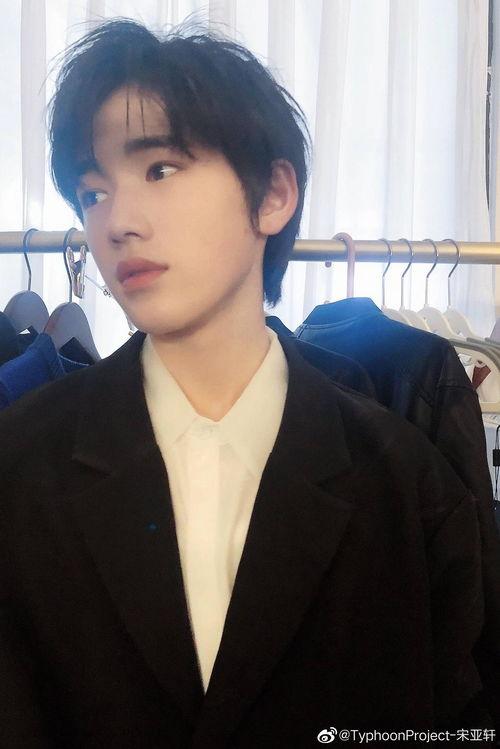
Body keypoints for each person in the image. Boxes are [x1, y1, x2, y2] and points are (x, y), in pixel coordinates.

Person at [0, 17, 495, 748]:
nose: (117, 222)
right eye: (93, 192)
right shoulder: (20, 464)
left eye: (160, 169)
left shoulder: (404, 481)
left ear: (273, 195)